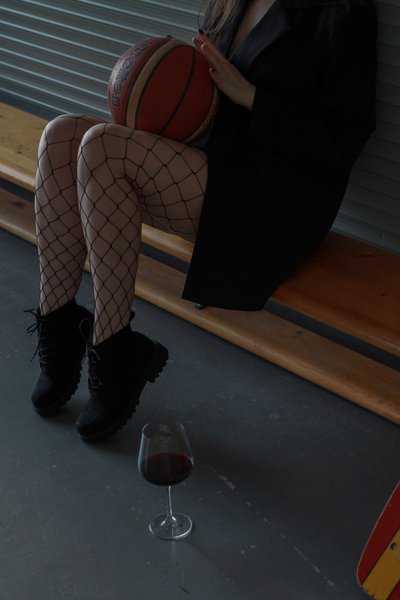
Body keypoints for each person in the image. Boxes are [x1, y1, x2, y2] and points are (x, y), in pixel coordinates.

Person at [27, 0, 378, 442]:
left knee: (102, 146)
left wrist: (251, 96)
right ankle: (58, 328)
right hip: (217, 164)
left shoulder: (346, 13)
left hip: (275, 198)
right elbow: (203, 96)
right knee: (61, 134)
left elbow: (340, 147)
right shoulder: (232, 1)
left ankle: (114, 346)